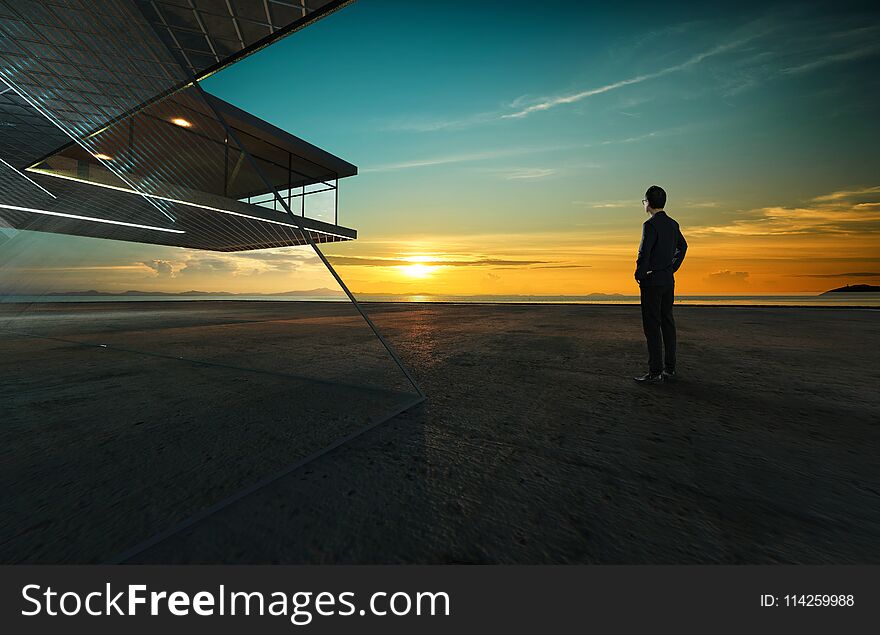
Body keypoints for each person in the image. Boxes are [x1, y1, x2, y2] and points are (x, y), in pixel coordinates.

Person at [633, 185, 687, 384]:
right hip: (668, 281)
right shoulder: (673, 224)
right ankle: (670, 369)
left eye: (644, 201)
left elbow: (644, 253)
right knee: (668, 323)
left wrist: (640, 273)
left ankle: (655, 371)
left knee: (652, 326)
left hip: (652, 281)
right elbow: (683, 246)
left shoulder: (650, 225)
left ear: (648, 203)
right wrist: (673, 267)